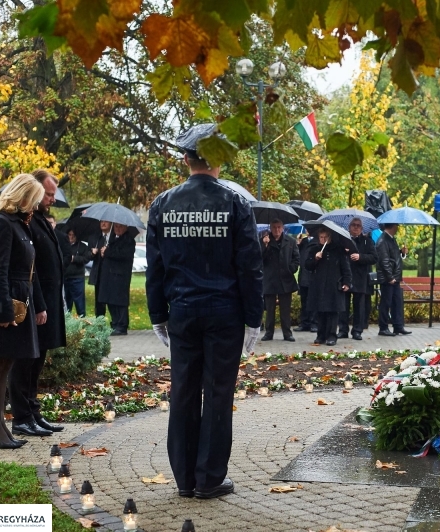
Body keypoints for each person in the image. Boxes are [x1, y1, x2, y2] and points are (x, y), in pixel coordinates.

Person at [146, 123, 263, 500]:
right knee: (216, 393)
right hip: (224, 312)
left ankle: (184, 479)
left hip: (182, 311)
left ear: (186, 159)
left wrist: (157, 316)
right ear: (219, 159)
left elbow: (156, 268)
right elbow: (249, 267)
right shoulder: (235, 203)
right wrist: (254, 319)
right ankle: (210, 477)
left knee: (182, 392)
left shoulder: (162, 204)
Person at [0, 174, 45, 449]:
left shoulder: (18, 223)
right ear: (23, 196)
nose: (37, 206)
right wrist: (2, 312)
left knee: (5, 363)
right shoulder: (2, 224)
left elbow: (27, 270)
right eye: (35, 200)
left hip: (18, 303)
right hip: (6, 305)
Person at [8, 169, 67, 438]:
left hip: (47, 301)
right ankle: (22, 415)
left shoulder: (41, 219)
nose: (52, 199)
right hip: (34, 300)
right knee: (25, 361)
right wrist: (40, 303)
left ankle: (33, 411)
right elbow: (31, 268)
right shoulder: (26, 221)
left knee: (38, 358)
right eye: (49, 194)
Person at [305, 227, 352, 346]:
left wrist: (347, 282)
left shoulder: (338, 250)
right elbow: (307, 266)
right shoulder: (314, 249)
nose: (323, 239)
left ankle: (332, 335)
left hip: (333, 284)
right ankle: (321, 335)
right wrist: (315, 258)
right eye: (321, 237)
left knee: (332, 311)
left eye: (325, 237)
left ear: (330, 237)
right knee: (320, 311)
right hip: (319, 284)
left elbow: (345, 268)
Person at [260, 219, 299, 342]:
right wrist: (265, 246)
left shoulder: (290, 241)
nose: (276, 230)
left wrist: (291, 269)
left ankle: (287, 333)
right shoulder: (264, 240)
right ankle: (269, 333)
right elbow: (260, 259)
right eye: (274, 227)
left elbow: (296, 258)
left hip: (285, 280)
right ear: (270, 228)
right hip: (270, 280)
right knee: (270, 309)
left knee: (285, 309)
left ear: (282, 228)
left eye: (279, 227)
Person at [339, 218, 377, 340]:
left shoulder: (367, 241)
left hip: (360, 278)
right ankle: (343, 330)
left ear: (362, 228)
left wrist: (360, 257)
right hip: (346, 277)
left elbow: (374, 258)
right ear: (349, 227)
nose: (355, 227)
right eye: (353, 225)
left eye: (358, 226)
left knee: (359, 306)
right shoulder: (343, 240)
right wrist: (343, 252)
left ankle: (357, 331)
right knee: (343, 305)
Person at [96, 222, 136, 336]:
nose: (117, 229)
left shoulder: (128, 240)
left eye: (120, 227)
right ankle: (115, 323)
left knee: (120, 302)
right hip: (110, 276)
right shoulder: (112, 239)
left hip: (120, 276)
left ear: (125, 227)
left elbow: (123, 255)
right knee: (111, 301)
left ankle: (122, 325)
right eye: (116, 226)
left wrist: (107, 252)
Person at [376, 223, 411, 336]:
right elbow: (384, 261)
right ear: (392, 226)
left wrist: (402, 252)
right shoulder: (382, 241)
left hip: (394, 277)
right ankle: (383, 327)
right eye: (397, 226)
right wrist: (389, 277)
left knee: (397, 302)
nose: (398, 228)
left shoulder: (391, 239)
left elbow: (393, 257)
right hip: (388, 278)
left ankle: (398, 326)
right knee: (386, 303)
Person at [64, 228, 93, 316]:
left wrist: (74, 259)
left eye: (73, 235)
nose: (71, 237)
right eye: (70, 235)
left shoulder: (82, 246)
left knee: (79, 302)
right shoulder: (64, 245)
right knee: (66, 303)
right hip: (65, 276)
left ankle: (82, 320)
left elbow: (86, 259)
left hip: (77, 277)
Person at [294, 232, 317, 333]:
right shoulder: (303, 241)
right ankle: (305, 323)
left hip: (314, 275)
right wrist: (297, 244)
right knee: (304, 301)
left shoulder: (317, 241)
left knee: (314, 300)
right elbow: (297, 257)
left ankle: (314, 323)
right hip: (303, 275)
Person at [89, 220, 111, 317]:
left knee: (111, 299)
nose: (103, 223)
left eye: (106, 222)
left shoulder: (113, 237)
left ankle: (115, 322)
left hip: (110, 273)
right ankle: (99, 320)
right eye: (102, 221)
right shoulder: (95, 238)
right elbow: (88, 256)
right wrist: (92, 253)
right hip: (99, 273)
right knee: (99, 300)